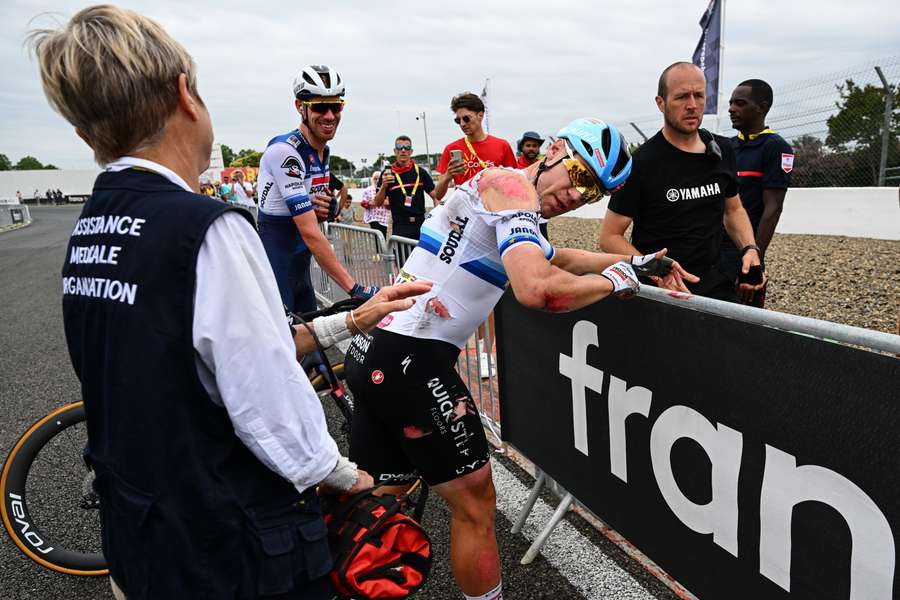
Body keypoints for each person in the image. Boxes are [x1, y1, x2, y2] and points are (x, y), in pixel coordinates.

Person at [29, 7, 430, 598]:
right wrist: (345, 475)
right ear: (184, 94)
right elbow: (264, 396)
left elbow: (206, 354)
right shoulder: (207, 227)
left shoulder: (93, 222)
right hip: (226, 544)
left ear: (86, 132)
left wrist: (354, 318)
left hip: (138, 532)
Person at [345, 118, 691, 600]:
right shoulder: (511, 187)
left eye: (593, 192)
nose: (578, 195)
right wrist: (616, 283)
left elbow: (557, 259)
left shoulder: (506, 192)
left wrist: (632, 262)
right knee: (475, 506)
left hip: (378, 351)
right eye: (580, 174)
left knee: (379, 501)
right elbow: (538, 290)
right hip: (412, 361)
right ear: (554, 151)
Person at [600, 61, 765, 302]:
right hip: (658, 290)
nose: (692, 105)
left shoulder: (723, 150)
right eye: (681, 97)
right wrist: (656, 272)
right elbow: (609, 237)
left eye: (699, 95)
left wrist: (750, 248)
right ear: (661, 103)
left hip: (714, 282)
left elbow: (734, 209)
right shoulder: (642, 163)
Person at [257, 64, 376, 314]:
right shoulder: (285, 152)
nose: (330, 115)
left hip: (300, 267)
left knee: (314, 351)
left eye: (337, 106)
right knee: (288, 350)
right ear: (300, 107)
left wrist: (330, 208)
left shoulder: (323, 151)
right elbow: (310, 232)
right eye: (321, 107)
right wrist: (354, 288)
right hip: (277, 267)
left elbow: (316, 208)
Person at [722, 79, 793, 306]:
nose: (732, 109)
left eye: (740, 103)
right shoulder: (728, 147)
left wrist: (754, 261)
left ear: (762, 107)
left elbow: (773, 208)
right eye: (731, 103)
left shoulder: (775, 147)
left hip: (744, 251)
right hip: (715, 251)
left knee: (744, 324)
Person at [434, 93, 517, 201]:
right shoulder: (451, 149)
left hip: (494, 211)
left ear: (480, 115)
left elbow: (515, 184)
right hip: (464, 212)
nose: (462, 124)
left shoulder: (502, 145)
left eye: (466, 118)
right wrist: (448, 176)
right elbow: (438, 195)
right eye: (458, 120)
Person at [371, 135, 436, 240]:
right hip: (400, 225)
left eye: (407, 148)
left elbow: (436, 196)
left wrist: (436, 218)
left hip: (420, 224)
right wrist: (384, 186)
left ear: (411, 151)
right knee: (402, 256)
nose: (403, 150)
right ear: (395, 151)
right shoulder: (387, 174)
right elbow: (377, 203)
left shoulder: (420, 172)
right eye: (399, 147)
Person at [361, 172, 391, 236]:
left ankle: (381, 246)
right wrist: (369, 203)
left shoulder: (387, 190)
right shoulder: (367, 190)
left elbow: (391, 205)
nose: (377, 181)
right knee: (377, 233)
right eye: (375, 179)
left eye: (379, 179)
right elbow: (363, 203)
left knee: (383, 235)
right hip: (373, 217)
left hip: (384, 217)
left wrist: (388, 203)